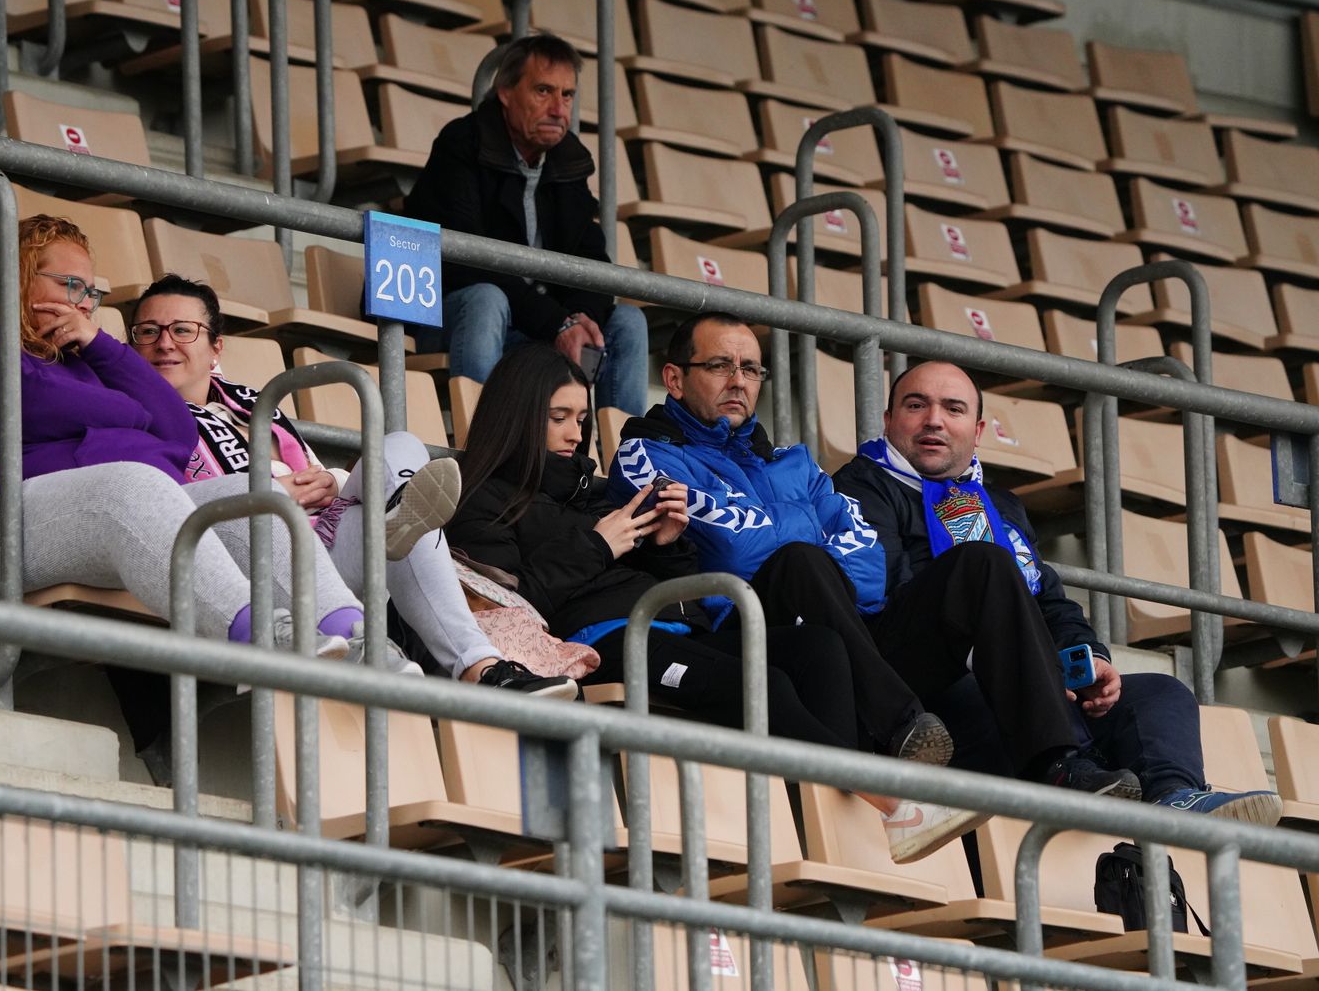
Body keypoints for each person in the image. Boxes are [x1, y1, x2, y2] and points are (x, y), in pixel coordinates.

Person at [449, 344, 984, 864]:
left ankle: (826, 831)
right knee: (763, 683)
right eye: (558, 417)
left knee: (817, 648)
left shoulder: (596, 492)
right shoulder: (482, 500)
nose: (574, 432)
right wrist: (597, 545)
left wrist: (669, 543)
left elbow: (683, 585)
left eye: (581, 417)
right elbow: (507, 608)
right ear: (519, 416)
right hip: (603, 640)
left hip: (683, 629)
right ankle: (889, 799)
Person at [608, 312, 1143, 798]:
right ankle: (897, 729)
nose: (738, 381)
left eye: (751, 369)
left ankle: (1055, 764)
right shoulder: (645, 453)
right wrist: (806, 527)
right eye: (720, 366)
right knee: (800, 560)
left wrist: (1084, 647)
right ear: (675, 378)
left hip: (859, 638)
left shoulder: (792, 461)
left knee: (983, 561)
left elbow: (868, 572)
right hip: (746, 633)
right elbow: (736, 547)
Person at [0, 216, 377, 778]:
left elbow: (174, 428)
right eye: (70, 286)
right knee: (133, 482)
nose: (84, 303)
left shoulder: (82, 361)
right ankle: (264, 636)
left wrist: (102, 355)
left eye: (91, 292)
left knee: (253, 493)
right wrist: (125, 423)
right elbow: (37, 406)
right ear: (16, 276)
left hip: (74, 525)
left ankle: (355, 635)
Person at [831, 360, 1281, 824]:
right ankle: (1056, 767)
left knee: (1160, 693)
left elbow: (1048, 598)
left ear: (977, 429)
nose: (935, 420)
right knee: (982, 563)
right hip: (912, 677)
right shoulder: (860, 485)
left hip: (1017, 681)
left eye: (954, 408)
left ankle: (1174, 798)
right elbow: (883, 594)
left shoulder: (999, 504)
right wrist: (1022, 663)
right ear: (888, 420)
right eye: (916, 405)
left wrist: (1085, 658)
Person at [130, 274, 576, 698]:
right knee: (392, 520)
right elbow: (157, 504)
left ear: (215, 347)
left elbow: (318, 475)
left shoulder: (253, 404)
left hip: (323, 544)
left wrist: (332, 480)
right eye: (148, 331)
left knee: (399, 445)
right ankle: (402, 526)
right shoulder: (131, 414)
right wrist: (273, 490)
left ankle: (481, 663)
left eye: (182, 330)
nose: (164, 342)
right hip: (245, 555)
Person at [403, 32, 648, 416]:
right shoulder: (463, 143)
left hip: (535, 326)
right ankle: (484, 445)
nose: (558, 108)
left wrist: (582, 319)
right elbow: (467, 259)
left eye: (567, 95)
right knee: (487, 298)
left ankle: (622, 458)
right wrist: (558, 323)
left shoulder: (567, 161)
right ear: (505, 92)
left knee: (627, 322)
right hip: (446, 319)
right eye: (543, 91)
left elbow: (591, 259)